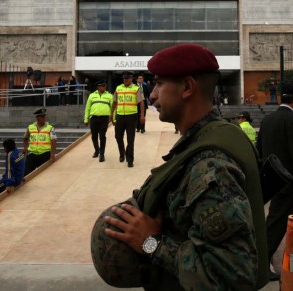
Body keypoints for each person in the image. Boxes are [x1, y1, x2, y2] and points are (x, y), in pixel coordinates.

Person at [93, 44, 268, 290]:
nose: (152, 95)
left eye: (160, 84)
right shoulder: (214, 135)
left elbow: (230, 277)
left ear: (187, 87)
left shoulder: (211, 168)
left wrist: (150, 243)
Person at [256, 83, 293, 280]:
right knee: (274, 226)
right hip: (287, 183)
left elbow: (260, 152)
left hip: (274, 182)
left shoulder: (267, 120)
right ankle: (259, 265)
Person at [110, 72, 145, 168]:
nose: (125, 80)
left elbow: (141, 102)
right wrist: (111, 114)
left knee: (130, 139)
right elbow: (114, 102)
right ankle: (122, 153)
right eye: (124, 78)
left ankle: (130, 160)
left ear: (131, 79)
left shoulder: (136, 89)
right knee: (118, 137)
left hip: (132, 117)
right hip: (120, 116)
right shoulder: (118, 88)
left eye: (127, 78)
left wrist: (142, 116)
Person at [84, 80, 113, 162]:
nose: (104, 87)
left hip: (104, 119)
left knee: (102, 136)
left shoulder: (109, 96)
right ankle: (96, 150)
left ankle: (102, 154)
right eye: (102, 86)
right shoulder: (92, 95)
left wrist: (113, 118)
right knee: (94, 136)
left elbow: (113, 109)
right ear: (98, 87)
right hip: (94, 118)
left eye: (105, 85)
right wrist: (86, 119)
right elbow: (87, 108)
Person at [22, 108, 57, 175]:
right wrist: (25, 148)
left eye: (44, 116)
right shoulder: (30, 127)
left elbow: (54, 141)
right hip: (32, 154)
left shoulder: (50, 128)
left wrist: (52, 155)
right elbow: (25, 138)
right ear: (37, 117)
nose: (44, 118)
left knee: (44, 175)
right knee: (25, 173)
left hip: (45, 155)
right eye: (42, 116)